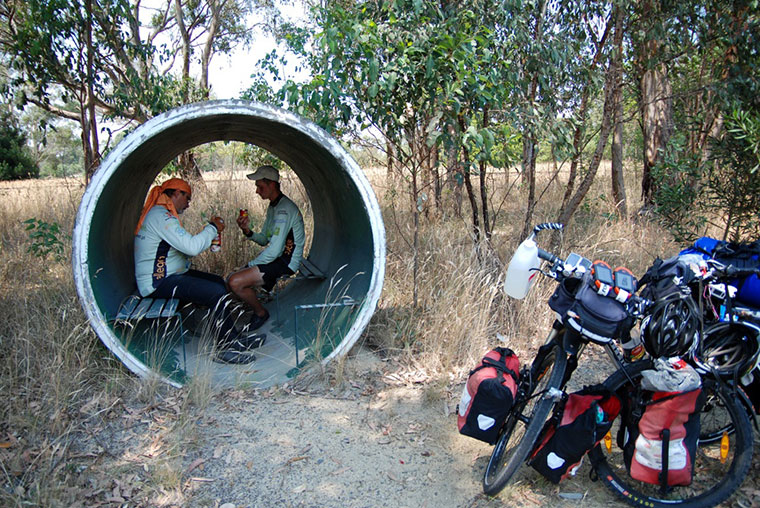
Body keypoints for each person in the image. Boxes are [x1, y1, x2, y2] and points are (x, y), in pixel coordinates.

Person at [133, 177, 260, 364]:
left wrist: (208, 232)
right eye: (187, 198)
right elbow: (191, 248)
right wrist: (212, 228)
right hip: (158, 281)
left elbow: (183, 247)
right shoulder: (161, 217)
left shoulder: (163, 214)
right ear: (177, 193)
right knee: (215, 292)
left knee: (217, 282)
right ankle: (224, 348)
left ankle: (233, 338)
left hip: (169, 275)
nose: (188, 204)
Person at [229, 165, 305, 329]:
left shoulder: (284, 209)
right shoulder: (274, 206)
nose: (257, 191)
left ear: (272, 184)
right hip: (277, 258)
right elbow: (264, 239)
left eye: (260, 186)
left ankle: (260, 313)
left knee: (235, 282)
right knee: (231, 281)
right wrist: (247, 231)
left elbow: (275, 250)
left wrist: (248, 266)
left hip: (286, 262)